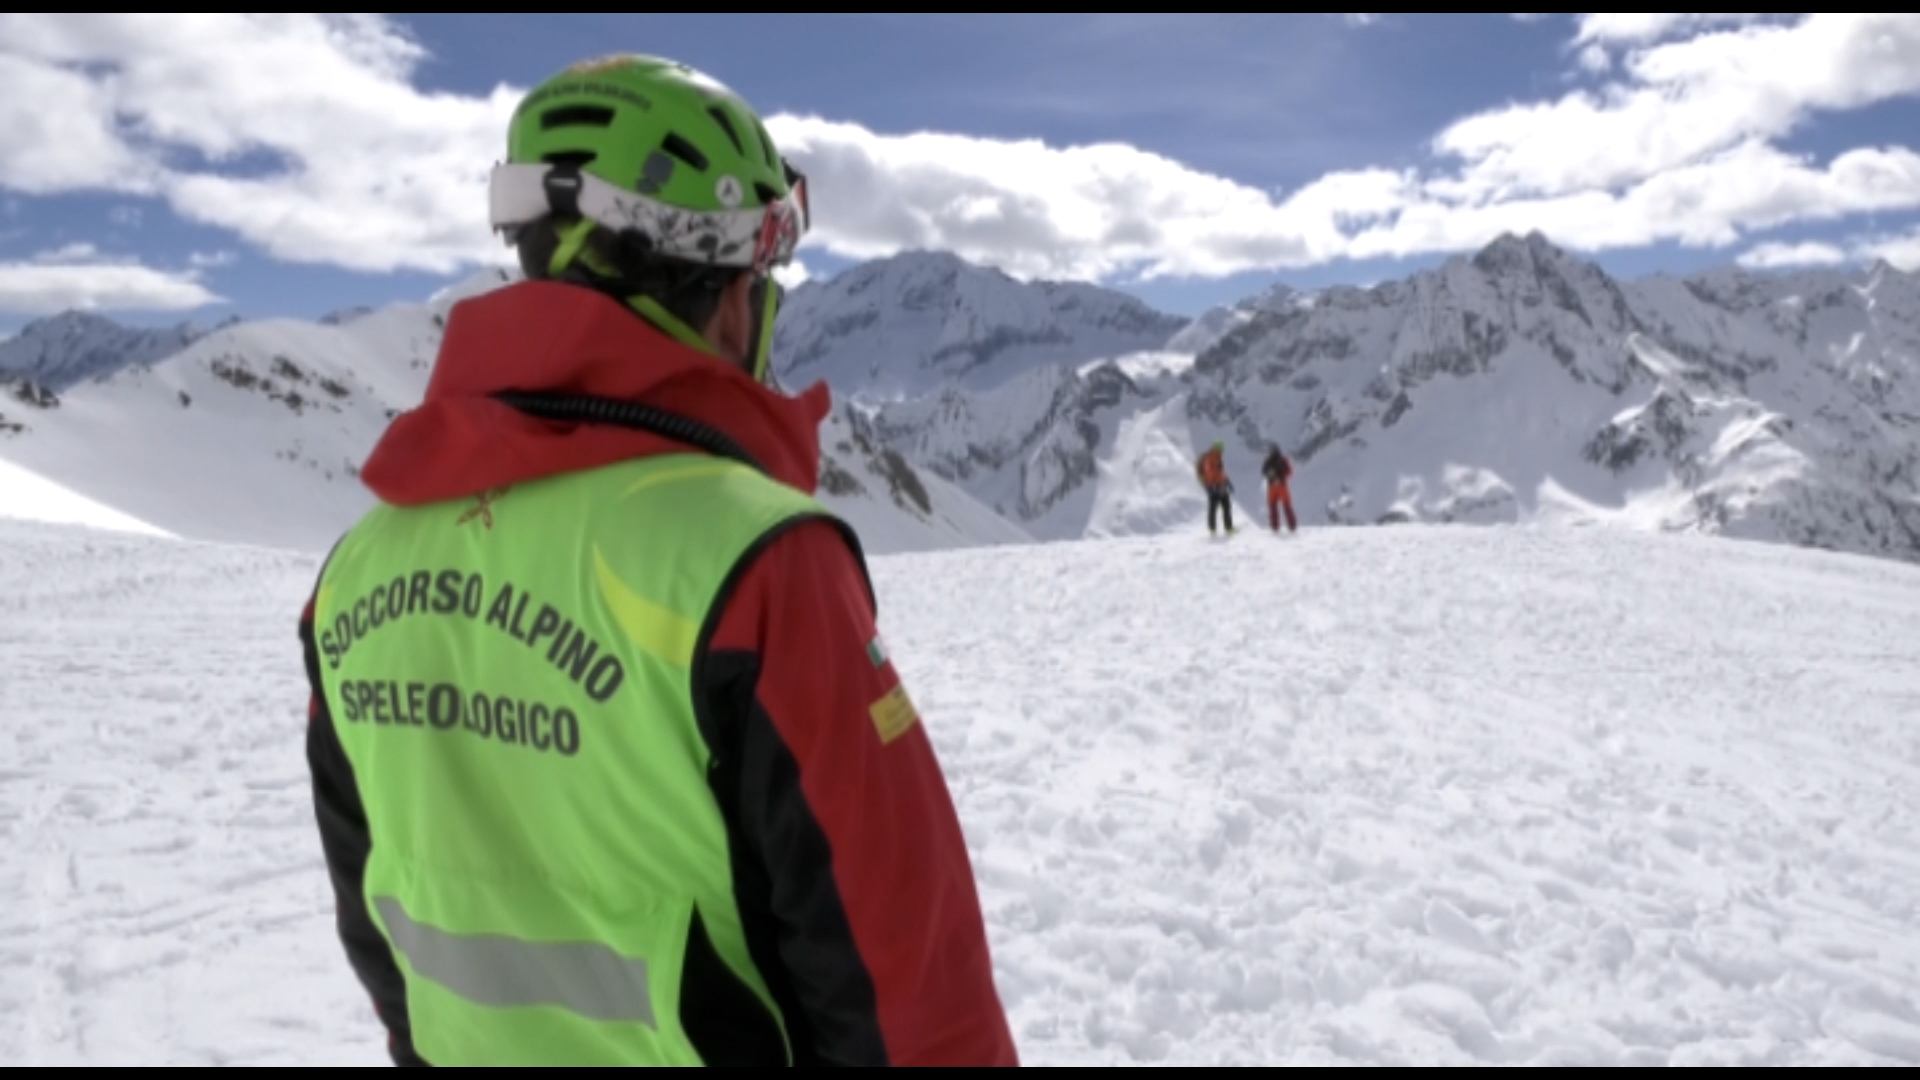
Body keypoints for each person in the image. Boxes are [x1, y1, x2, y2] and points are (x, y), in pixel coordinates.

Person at [300, 54, 1018, 1067]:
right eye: (761, 281)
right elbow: (908, 986)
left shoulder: (354, 575)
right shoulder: (760, 565)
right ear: (731, 301)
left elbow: (379, 926)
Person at [1197, 441, 1235, 535]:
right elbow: (1211, 473)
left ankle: (1226, 528)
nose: (1222, 451)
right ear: (1217, 448)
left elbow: (1221, 472)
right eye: (1221, 448)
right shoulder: (1211, 459)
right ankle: (1215, 530)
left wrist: (1227, 482)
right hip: (1214, 487)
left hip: (1219, 486)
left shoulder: (1217, 458)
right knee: (1215, 508)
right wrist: (1213, 485)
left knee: (1224, 507)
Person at [1262, 443, 1297, 534]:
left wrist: (1273, 475)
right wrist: (1275, 476)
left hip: (1276, 486)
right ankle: (1287, 526)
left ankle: (1279, 527)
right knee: (1279, 506)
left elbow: (1264, 472)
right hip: (1279, 486)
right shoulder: (1280, 460)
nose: (1270, 452)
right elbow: (1289, 472)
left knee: (1279, 506)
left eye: (1271, 450)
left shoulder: (1272, 461)